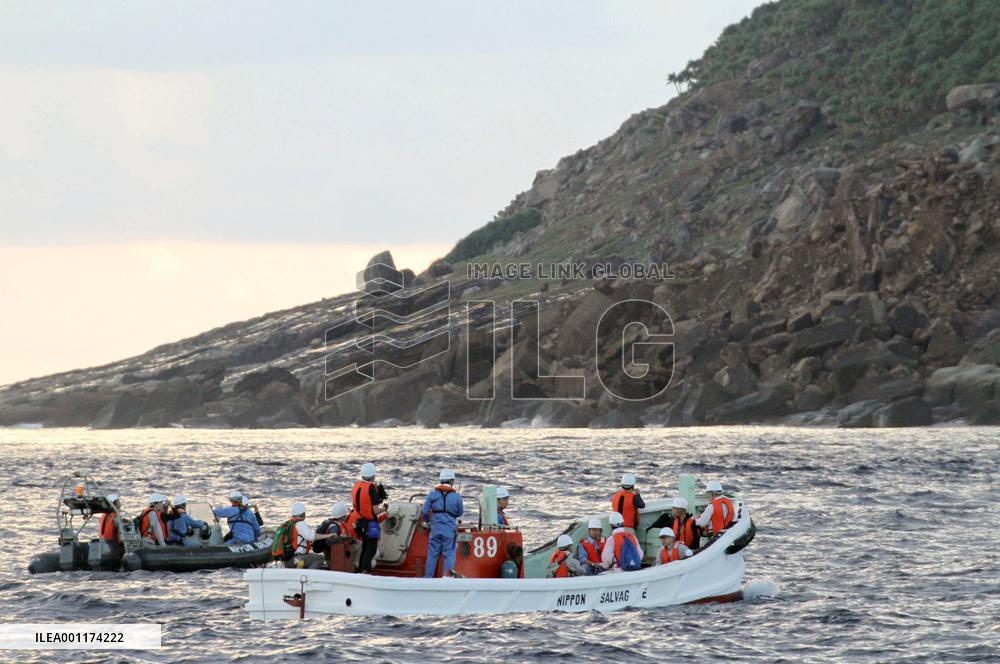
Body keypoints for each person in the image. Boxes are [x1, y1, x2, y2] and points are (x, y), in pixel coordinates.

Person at [421, 468, 464, 578]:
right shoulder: (456, 496)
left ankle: (428, 578)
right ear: (451, 481)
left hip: (435, 529)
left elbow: (425, 511)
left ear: (441, 480)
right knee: (449, 554)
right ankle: (446, 579)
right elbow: (460, 512)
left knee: (432, 554)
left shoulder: (432, 494)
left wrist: (427, 520)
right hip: (449, 529)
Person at [353, 462, 388, 573]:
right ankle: (365, 571)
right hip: (370, 523)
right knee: (371, 549)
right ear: (373, 475)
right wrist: (384, 509)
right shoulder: (371, 489)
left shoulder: (357, 486)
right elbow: (375, 510)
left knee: (365, 547)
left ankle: (360, 570)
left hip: (359, 521)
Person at [277, 502, 334, 569]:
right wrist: (328, 535)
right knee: (320, 558)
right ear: (303, 514)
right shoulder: (300, 524)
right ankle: (307, 576)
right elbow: (311, 537)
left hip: (286, 560)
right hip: (296, 560)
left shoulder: (289, 524)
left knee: (310, 557)